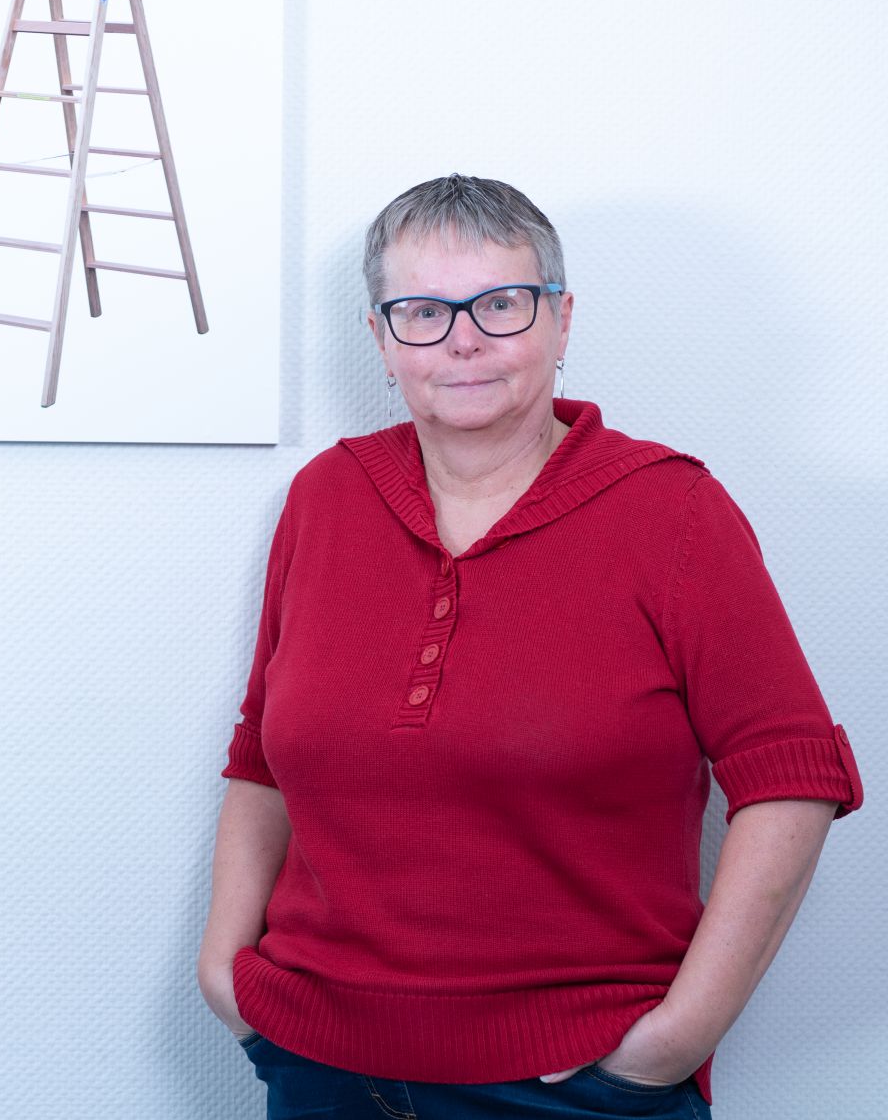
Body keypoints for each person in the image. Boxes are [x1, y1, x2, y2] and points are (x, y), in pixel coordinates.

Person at [197, 174, 863, 1119]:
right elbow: (263, 752)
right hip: (321, 1069)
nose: (462, 339)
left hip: (574, 1087)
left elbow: (790, 777)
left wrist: (670, 1043)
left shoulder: (673, 510)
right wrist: (224, 968)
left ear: (561, 318)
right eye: (423, 312)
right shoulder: (326, 498)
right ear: (381, 338)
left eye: (501, 303)